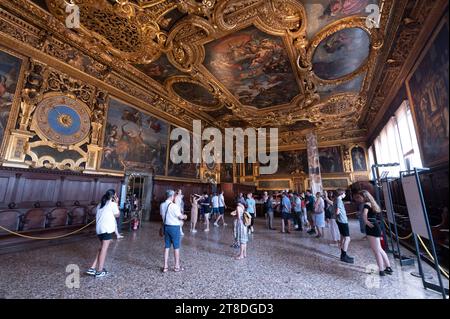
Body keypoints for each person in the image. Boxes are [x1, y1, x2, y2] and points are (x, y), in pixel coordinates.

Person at [358, 190, 393, 276]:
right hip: (375, 225)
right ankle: (388, 267)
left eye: (360, 197)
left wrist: (365, 221)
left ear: (364, 196)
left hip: (371, 227)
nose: (359, 199)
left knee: (376, 250)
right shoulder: (373, 203)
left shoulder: (366, 204)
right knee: (379, 249)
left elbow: (364, 214)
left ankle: (381, 270)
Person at [86, 189, 120, 278]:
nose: (117, 197)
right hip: (106, 229)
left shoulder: (100, 204)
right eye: (116, 195)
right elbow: (117, 215)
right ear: (113, 197)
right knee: (104, 250)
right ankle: (100, 271)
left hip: (99, 230)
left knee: (101, 248)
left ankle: (92, 268)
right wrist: (116, 203)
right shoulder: (112, 204)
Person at [160, 189, 188, 273]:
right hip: (174, 228)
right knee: (176, 247)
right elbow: (180, 217)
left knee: (167, 246)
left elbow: (162, 216)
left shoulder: (162, 205)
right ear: (172, 196)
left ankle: (165, 266)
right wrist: (185, 216)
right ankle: (176, 266)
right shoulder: (174, 206)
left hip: (166, 227)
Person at [335, 189, 354, 263]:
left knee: (343, 237)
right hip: (343, 221)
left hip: (339, 221)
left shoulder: (336, 199)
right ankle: (344, 255)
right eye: (344, 193)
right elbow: (337, 211)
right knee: (347, 238)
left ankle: (343, 255)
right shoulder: (339, 200)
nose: (345, 195)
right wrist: (339, 214)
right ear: (341, 194)